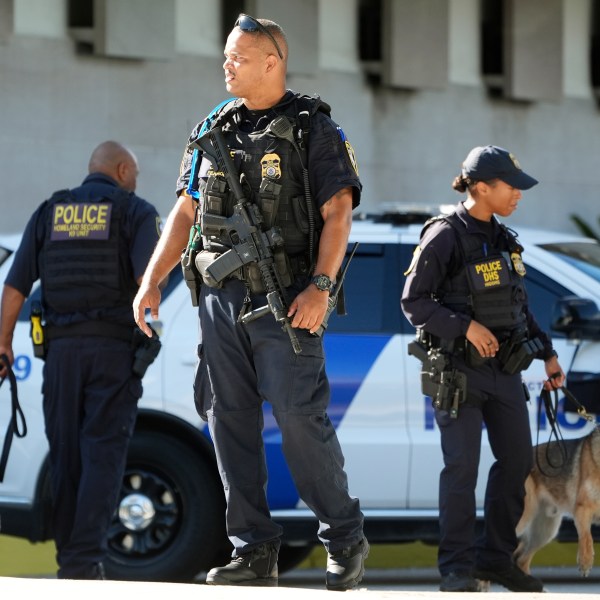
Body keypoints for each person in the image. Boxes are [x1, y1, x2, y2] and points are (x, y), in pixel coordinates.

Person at [132, 14, 368, 591]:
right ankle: (255, 549)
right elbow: (186, 212)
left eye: (238, 58)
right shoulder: (213, 126)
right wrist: (150, 280)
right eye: (225, 57)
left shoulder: (313, 127)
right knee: (228, 421)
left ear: (272, 62)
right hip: (219, 299)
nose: (226, 66)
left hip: (287, 299)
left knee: (298, 421)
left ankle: (344, 537)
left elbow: (339, 211)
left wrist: (321, 287)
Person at [401, 145, 566, 593]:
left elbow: (518, 307)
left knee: (516, 463)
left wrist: (548, 354)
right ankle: (456, 566)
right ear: (480, 187)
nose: (518, 195)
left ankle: (495, 560)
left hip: (505, 372)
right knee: (461, 468)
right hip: (458, 372)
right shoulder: (444, 235)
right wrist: (465, 327)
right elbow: (414, 303)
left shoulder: (504, 239)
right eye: (510, 187)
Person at [0, 141, 161, 579]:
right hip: (112, 353)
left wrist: (3, 344)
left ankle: (70, 559)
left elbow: (15, 285)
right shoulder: (135, 211)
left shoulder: (52, 211)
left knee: (67, 456)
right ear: (124, 170)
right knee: (102, 455)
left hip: (61, 354)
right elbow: (148, 278)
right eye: (136, 174)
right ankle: (82, 561)